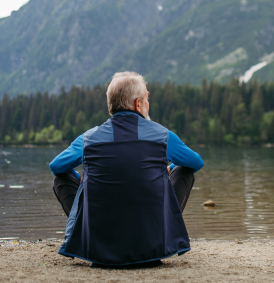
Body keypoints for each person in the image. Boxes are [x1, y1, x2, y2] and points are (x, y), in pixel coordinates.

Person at [49, 71, 204, 267]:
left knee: (61, 177)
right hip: (152, 247)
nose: (148, 104)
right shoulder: (162, 135)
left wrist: (81, 178)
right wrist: (169, 168)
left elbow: (56, 167)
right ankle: (161, 235)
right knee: (184, 170)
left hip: (99, 252)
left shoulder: (88, 138)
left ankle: (87, 237)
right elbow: (195, 162)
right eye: (147, 99)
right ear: (138, 103)